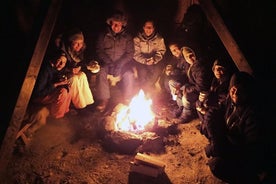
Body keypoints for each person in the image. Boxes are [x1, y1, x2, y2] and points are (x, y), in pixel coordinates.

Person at [204, 71, 266, 183]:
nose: (236, 94)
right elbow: (214, 111)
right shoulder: (230, 101)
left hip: (244, 154)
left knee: (215, 164)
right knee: (208, 125)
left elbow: (251, 149)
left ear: (248, 93)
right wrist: (215, 140)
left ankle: (247, 179)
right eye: (234, 89)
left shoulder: (252, 115)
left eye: (241, 90)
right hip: (231, 141)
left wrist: (221, 147)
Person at [94, 10, 135, 112]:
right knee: (101, 71)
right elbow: (99, 51)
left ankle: (127, 98)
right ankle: (104, 99)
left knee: (129, 74)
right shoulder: (103, 35)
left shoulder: (127, 37)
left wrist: (120, 64)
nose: (116, 27)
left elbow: (130, 53)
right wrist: (110, 63)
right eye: (114, 24)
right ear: (111, 23)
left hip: (122, 64)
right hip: (107, 63)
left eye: (119, 24)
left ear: (122, 25)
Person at [55, 28, 94, 110]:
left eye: (81, 43)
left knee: (82, 75)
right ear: (70, 42)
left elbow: (81, 63)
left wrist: (86, 66)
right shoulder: (62, 51)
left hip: (70, 72)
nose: (79, 46)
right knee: (74, 78)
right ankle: (80, 106)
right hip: (60, 75)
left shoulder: (79, 51)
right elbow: (57, 68)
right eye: (76, 43)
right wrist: (70, 70)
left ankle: (88, 102)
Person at [195, 58, 232, 137]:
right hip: (215, 104)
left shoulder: (228, 83)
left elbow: (224, 102)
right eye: (215, 69)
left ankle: (212, 136)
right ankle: (205, 125)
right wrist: (203, 98)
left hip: (222, 110)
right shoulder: (216, 80)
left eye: (220, 68)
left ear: (226, 70)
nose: (217, 71)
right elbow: (213, 94)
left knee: (209, 113)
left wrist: (206, 109)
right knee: (198, 103)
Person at [31, 50, 71, 119]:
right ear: (54, 59)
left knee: (69, 88)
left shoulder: (57, 68)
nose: (61, 64)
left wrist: (61, 80)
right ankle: (57, 116)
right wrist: (56, 84)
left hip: (48, 92)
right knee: (62, 92)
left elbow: (56, 77)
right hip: (38, 97)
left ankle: (65, 111)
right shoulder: (45, 70)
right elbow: (38, 93)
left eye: (64, 63)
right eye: (59, 61)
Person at [178, 46, 212, 123]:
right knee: (179, 91)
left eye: (191, 55)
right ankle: (182, 108)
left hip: (202, 92)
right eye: (187, 57)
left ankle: (187, 114)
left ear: (195, 54)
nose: (190, 58)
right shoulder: (190, 65)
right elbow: (185, 76)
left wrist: (187, 89)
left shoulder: (200, 68)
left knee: (186, 97)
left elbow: (201, 87)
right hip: (193, 87)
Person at [133, 19, 167, 95]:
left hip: (154, 60)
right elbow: (136, 53)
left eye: (150, 27)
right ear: (143, 28)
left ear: (153, 28)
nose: (148, 29)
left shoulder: (159, 39)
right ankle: (144, 91)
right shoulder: (137, 39)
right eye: (147, 27)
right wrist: (145, 61)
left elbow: (161, 51)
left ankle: (144, 89)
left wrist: (154, 59)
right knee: (142, 72)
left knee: (157, 71)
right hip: (142, 60)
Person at [162, 41, 190, 117]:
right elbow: (171, 64)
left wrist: (173, 72)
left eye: (176, 49)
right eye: (172, 51)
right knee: (167, 80)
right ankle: (177, 103)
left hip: (186, 80)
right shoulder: (175, 57)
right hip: (179, 77)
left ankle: (181, 106)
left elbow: (186, 74)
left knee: (173, 83)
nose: (175, 52)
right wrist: (168, 68)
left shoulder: (186, 58)